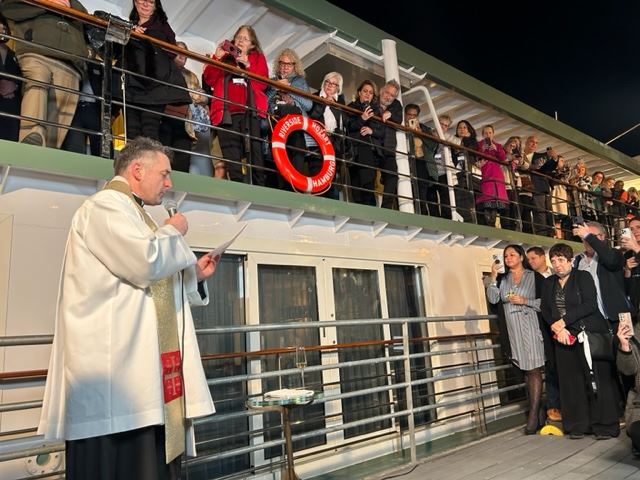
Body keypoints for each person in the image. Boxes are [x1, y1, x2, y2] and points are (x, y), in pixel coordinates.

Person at [37, 137, 217, 480]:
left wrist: (192, 274)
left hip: (144, 382)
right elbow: (143, 263)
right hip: (117, 389)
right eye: (164, 174)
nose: (169, 183)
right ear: (137, 169)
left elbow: (150, 284)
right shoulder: (104, 207)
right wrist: (173, 233)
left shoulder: (135, 215)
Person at [541, 243, 621, 439]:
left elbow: (590, 305)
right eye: (553, 261)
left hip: (588, 335)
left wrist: (563, 322)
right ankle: (578, 425)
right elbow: (545, 309)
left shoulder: (582, 277)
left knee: (599, 382)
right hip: (562, 338)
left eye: (561, 260)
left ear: (570, 260)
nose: (557, 264)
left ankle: (605, 426)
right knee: (570, 383)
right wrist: (556, 327)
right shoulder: (549, 282)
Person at [0, 0, 89, 148]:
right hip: (36, 52)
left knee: (61, 117)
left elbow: (88, 34)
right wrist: (48, 4)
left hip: (69, 65)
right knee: (37, 82)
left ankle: (46, 155)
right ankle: (30, 140)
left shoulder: (79, 7)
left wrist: (84, 56)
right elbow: (8, 9)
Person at [485, 244, 545, 434]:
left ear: (521, 257)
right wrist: (493, 278)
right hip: (512, 331)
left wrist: (525, 301)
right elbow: (494, 300)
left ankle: (533, 416)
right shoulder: (502, 279)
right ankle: (539, 411)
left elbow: (545, 303)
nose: (508, 258)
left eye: (512, 254)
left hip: (531, 327)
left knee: (534, 370)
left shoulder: (534, 277)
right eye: (505, 255)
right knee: (524, 371)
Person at [203, 25, 268, 186]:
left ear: (252, 44)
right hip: (226, 111)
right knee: (231, 152)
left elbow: (262, 84)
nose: (240, 41)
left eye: (245, 38)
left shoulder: (257, 58)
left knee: (255, 152)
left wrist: (248, 66)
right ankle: (238, 186)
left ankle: (260, 188)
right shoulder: (225, 57)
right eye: (238, 37)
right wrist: (216, 58)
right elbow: (210, 79)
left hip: (250, 111)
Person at [120, 0, 191, 144]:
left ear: (156, 5)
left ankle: (150, 165)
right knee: (131, 130)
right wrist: (131, 33)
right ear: (135, 2)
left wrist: (145, 38)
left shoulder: (163, 26)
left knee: (149, 128)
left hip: (156, 84)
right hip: (132, 83)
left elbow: (172, 52)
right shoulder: (128, 25)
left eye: (151, 2)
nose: (146, 4)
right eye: (142, 0)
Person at [265, 48, 312, 189]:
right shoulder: (271, 81)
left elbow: (309, 104)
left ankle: (294, 191)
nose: (285, 67)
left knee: (295, 159)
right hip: (275, 125)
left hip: (295, 128)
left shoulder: (300, 81)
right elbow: (264, 103)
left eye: (289, 64)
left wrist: (291, 92)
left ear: (294, 66)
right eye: (282, 63)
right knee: (278, 160)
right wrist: (275, 87)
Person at [526, 246, 562, 422]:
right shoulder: (530, 279)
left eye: (533, 258)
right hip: (544, 325)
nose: (530, 262)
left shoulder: (556, 275)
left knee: (566, 364)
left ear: (542, 258)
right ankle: (554, 407)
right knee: (551, 366)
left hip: (564, 323)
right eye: (529, 259)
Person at [308, 71, 348, 198]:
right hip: (317, 146)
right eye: (328, 82)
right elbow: (312, 116)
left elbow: (344, 124)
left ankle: (333, 213)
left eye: (334, 84)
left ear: (338, 88)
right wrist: (324, 103)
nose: (330, 85)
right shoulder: (314, 97)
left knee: (332, 185)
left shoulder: (340, 103)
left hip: (333, 147)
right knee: (318, 180)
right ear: (323, 83)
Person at [346, 80, 384, 206]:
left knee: (369, 189)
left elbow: (382, 132)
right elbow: (349, 126)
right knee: (356, 190)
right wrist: (362, 119)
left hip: (369, 154)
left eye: (371, 93)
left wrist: (371, 130)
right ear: (359, 93)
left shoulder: (376, 111)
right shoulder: (351, 106)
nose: (368, 94)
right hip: (355, 153)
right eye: (365, 91)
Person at [403, 103, 438, 215]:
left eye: (414, 115)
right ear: (405, 114)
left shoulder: (424, 128)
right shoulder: (400, 125)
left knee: (422, 191)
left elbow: (433, 145)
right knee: (408, 189)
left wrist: (421, 133)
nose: (412, 117)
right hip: (407, 161)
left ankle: (422, 213)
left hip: (422, 162)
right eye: (409, 114)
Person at [377, 79, 402, 209]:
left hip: (388, 148)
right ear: (382, 91)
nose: (388, 97)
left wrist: (390, 113)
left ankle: (386, 208)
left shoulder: (396, 105)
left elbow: (399, 119)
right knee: (369, 175)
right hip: (373, 145)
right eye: (387, 93)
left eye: (392, 95)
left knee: (392, 177)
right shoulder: (373, 101)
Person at [475, 124, 507, 227]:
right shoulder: (479, 144)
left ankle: (492, 224)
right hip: (485, 174)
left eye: (490, 133)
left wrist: (495, 149)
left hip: (497, 176)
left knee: (495, 204)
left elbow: (503, 158)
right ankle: (487, 224)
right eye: (485, 133)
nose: (488, 135)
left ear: (493, 134)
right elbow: (475, 156)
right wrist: (483, 150)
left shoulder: (498, 145)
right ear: (482, 134)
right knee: (486, 201)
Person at [0, 13, 21, 142]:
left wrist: (15, 85)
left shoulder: (14, 54)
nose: (2, 30)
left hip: (12, 108)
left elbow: (22, 76)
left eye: (4, 28)